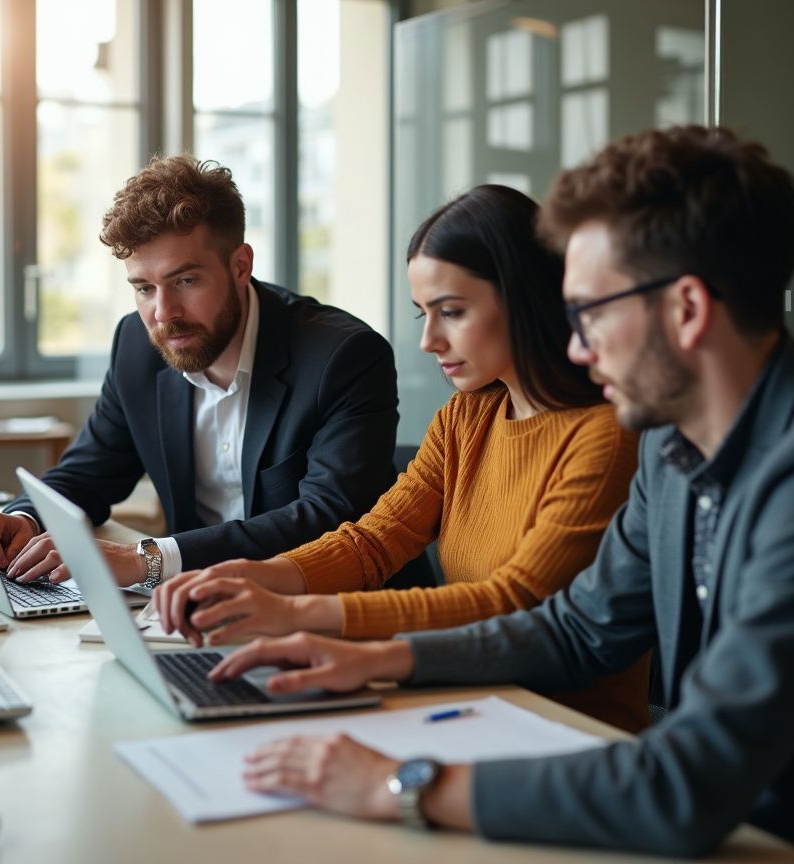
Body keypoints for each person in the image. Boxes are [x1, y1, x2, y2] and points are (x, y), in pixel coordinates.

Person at [206, 126, 794, 857]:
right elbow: (576, 628)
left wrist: (401, 785)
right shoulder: (672, 447)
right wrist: (377, 658)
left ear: (686, 310)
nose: (576, 347)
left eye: (592, 313)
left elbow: (684, 784)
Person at [157, 183, 647, 732]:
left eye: (452, 312)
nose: (430, 341)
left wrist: (298, 613)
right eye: (423, 315)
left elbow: (513, 602)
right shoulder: (466, 417)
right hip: (462, 696)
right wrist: (256, 576)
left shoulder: (604, 436)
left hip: (564, 725)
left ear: (525, 297)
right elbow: (373, 541)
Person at [0, 154, 399, 589]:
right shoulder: (136, 345)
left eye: (185, 281)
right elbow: (90, 472)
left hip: (334, 612)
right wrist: (23, 518)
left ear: (240, 266)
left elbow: (326, 520)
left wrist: (148, 560)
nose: (164, 313)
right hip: (194, 609)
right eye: (144, 288)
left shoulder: (342, 357)